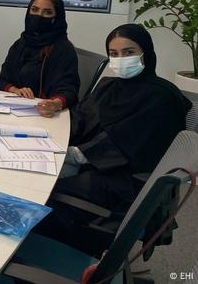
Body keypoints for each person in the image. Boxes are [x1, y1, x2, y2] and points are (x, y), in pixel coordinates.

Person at [37, 24, 192, 256]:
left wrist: (74, 155)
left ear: (146, 52)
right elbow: (81, 117)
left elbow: (127, 143)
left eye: (129, 52)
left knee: (40, 191)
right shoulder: (109, 86)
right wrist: (51, 122)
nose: (120, 59)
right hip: (92, 167)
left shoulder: (162, 97)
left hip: (124, 182)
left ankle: (50, 253)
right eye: (114, 54)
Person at [0, 0, 80, 117]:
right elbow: (2, 81)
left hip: (48, 116)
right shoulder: (20, 44)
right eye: (34, 10)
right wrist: (17, 90)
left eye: (47, 12)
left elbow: (69, 92)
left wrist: (54, 104)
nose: (39, 16)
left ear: (57, 18)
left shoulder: (64, 49)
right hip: (15, 111)